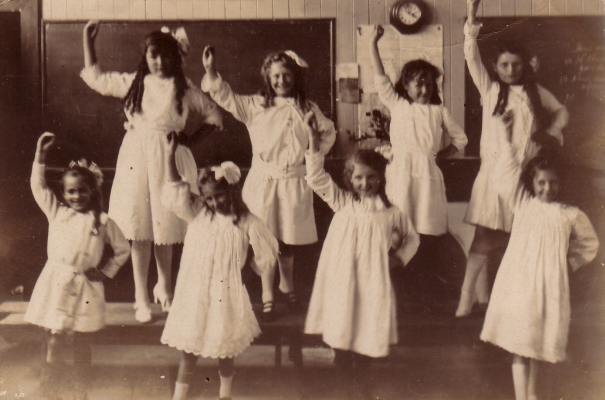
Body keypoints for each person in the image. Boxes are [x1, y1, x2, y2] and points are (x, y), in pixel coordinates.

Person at [81, 21, 223, 323]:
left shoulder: (184, 89)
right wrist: (88, 42)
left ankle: (165, 289)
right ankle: (141, 297)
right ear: (145, 57)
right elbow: (96, 79)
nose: (159, 62)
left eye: (165, 56)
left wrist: (189, 139)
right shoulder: (135, 82)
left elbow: (214, 114)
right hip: (137, 159)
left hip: (170, 160)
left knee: (165, 230)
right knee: (140, 232)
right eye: (153, 55)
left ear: (176, 57)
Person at [201, 46, 336, 312]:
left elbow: (327, 133)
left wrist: (311, 152)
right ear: (268, 78)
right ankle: (266, 294)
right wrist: (211, 71)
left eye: (286, 75)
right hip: (264, 182)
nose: (281, 81)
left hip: (294, 182)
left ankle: (287, 286)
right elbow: (227, 97)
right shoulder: (256, 105)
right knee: (264, 238)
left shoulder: (308, 108)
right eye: (276, 76)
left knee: (287, 239)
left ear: (295, 77)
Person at [456, 0, 569, 317]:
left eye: (515, 65)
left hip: (527, 180)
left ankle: (513, 302)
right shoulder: (489, 89)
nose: (509, 70)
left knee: (523, 239)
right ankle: (468, 300)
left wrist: (552, 131)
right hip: (494, 179)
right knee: (483, 239)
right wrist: (471, 17)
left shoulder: (537, 94)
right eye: (504, 65)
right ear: (496, 67)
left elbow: (561, 111)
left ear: (525, 66)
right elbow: (470, 54)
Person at [480, 111, 598, 400]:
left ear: (561, 184)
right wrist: (506, 138)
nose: (547, 189)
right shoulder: (523, 203)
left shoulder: (570, 214)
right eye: (542, 183)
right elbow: (504, 177)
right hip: (520, 285)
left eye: (553, 183)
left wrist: (568, 263)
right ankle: (523, 397)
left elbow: (589, 244)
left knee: (538, 344)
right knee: (520, 342)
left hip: (549, 287)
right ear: (532, 183)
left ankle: (533, 394)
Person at [303, 114, 420, 399]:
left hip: (372, 279)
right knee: (342, 327)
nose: (365, 183)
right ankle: (345, 382)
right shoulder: (342, 202)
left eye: (371, 178)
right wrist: (312, 139)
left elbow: (412, 237)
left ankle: (362, 386)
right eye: (358, 177)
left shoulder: (390, 212)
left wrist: (399, 258)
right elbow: (316, 177)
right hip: (342, 278)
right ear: (349, 179)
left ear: (381, 179)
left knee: (367, 328)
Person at [160, 132, 278, 400]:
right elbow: (176, 188)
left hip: (225, 293)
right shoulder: (200, 214)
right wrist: (169, 156)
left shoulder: (247, 222)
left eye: (220, 197)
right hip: (195, 292)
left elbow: (266, 256)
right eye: (209, 198)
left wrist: (247, 266)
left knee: (224, 348)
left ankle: (225, 394)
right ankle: (179, 396)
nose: (215, 203)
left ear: (232, 191)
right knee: (189, 350)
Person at [369, 25, 468, 309]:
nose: (424, 90)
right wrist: (374, 43)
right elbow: (380, 79)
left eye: (428, 84)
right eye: (417, 84)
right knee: (399, 229)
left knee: (426, 232)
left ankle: (422, 290)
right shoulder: (398, 105)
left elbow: (461, 139)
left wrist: (437, 156)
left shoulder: (439, 111)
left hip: (427, 177)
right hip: (400, 175)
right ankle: (396, 290)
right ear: (406, 86)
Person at [26, 132, 130, 399]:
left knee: (82, 341)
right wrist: (40, 157)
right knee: (53, 336)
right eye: (71, 191)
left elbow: (122, 249)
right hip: (56, 282)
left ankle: (79, 388)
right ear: (63, 193)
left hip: (86, 287)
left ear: (93, 190)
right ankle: (50, 385)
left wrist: (105, 271)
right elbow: (38, 187)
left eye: (82, 190)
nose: (77, 196)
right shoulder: (57, 213)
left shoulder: (103, 221)